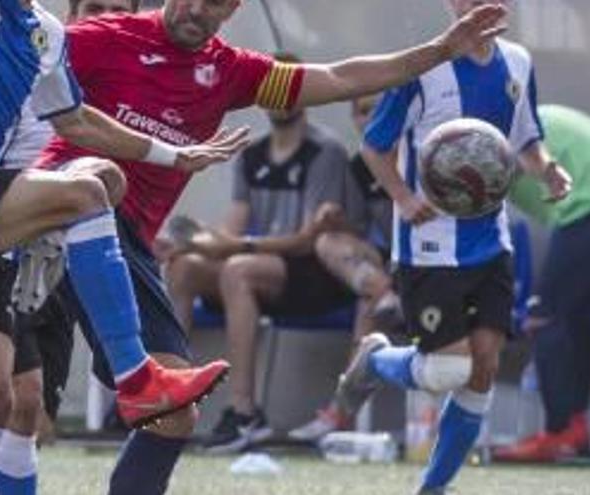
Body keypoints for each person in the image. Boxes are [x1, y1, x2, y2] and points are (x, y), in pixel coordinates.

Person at [34, 0, 508, 493]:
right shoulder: (107, 36)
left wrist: (440, 50)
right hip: (55, 211)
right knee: (4, 406)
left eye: (215, 1)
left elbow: (342, 77)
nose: (197, 8)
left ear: (233, 7)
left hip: (125, 241)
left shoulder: (231, 71)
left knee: (172, 413)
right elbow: (18, 65)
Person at [0, 0, 245, 493]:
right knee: (88, 190)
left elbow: (76, 122)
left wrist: (175, 155)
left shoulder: (44, 32)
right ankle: (136, 378)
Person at [342, 0, 573, 492]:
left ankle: (433, 488)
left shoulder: (518, 62)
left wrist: (547, 168)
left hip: (491, 242)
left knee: (483, 368)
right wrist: (403, 198)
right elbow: (374, 145)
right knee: (447, 368)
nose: (479, 5)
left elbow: (528, 138)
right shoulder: (423, 67)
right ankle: (377, 358)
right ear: (452, 3)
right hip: (429, 246)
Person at [158, 52, 360, 452]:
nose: (281, 98)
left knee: (238, 269)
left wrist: (237, 245)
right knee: (183, 268)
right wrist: (188, 241)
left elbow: (307, 239)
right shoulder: (252, 154)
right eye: (273, 87)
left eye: (290, 87)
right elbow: (231, 228)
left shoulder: (325, 151)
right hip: (258, 269)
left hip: (313, 275)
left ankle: (244, 412)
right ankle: (167, 396)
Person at [494, 105, 590, 462]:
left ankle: (559, 429)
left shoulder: (498, 131)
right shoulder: (541, 116)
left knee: (545, 317)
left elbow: (501, 170)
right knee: (575, 315)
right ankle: (574, 427)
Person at [288, 93, 403, 443]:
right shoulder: (359, 166)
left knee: (368, 307)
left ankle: (341, 414)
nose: (368, 119)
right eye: (361, 112)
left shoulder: (422, 154)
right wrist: (337, 220)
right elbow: (358, 231)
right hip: (387, 271)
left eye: (376, 110)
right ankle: (385, 292)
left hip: (430, 265)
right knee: (330, 241)